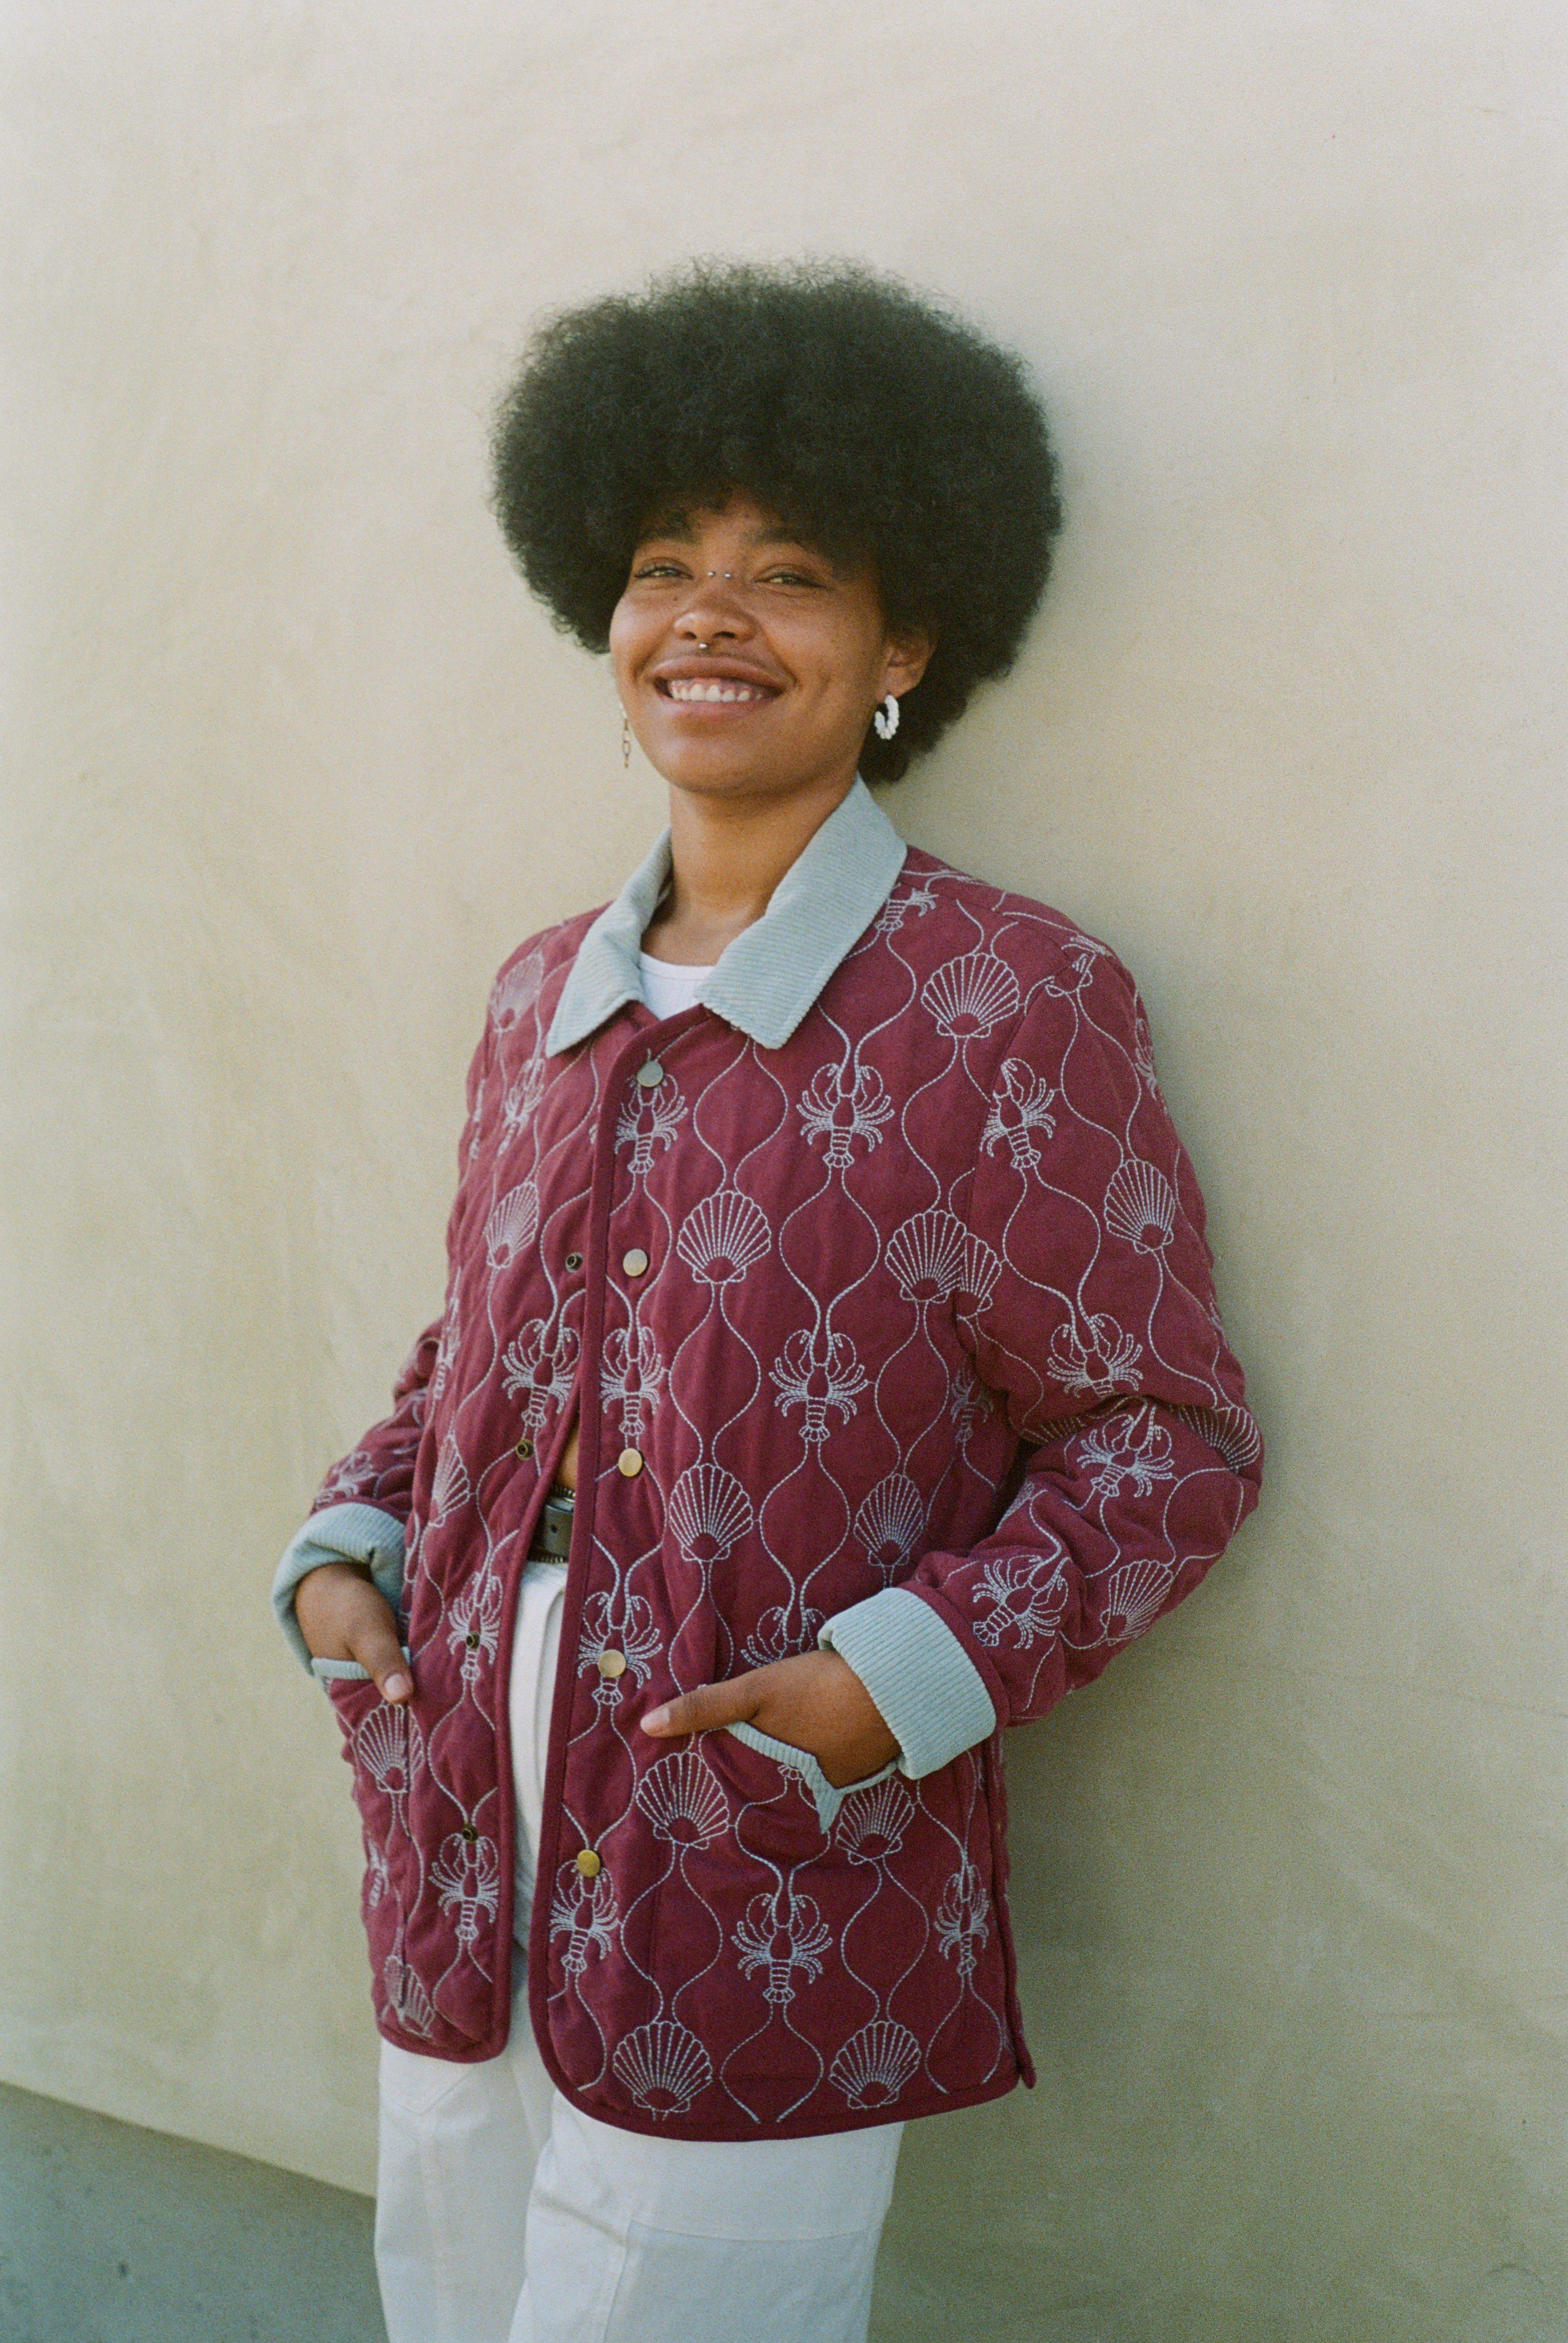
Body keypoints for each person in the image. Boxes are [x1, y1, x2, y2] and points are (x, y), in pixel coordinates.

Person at [272, 260, 1261, 2343]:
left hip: (765, 1847)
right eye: (662, 568)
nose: (708, 616)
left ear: (907, 641)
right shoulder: (540, 994)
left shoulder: (1006, 996)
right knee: (444, 2298)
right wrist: (349, 1550)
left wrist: (884, 1689)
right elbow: (476, 1355)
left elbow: (1164, 1443)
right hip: (460, 1795)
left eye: (789, 573)